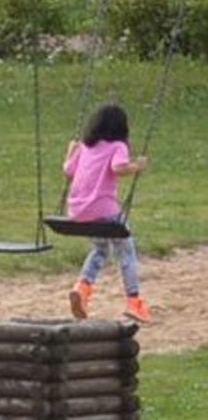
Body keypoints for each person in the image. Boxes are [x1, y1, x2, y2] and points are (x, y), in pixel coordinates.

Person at [63, 103, 151, 323]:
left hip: (77, 210)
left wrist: (70, 151)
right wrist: (137, 166)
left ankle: (82, 289)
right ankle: (134, 302)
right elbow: (118, 168)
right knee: (126, 251)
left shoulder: (85, 146)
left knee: (101, 249)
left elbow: (68, 171)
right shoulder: (118, 146)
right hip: (103, 210)